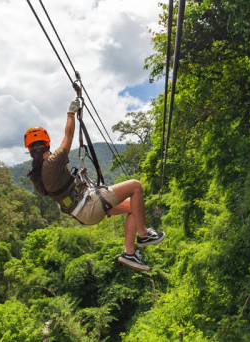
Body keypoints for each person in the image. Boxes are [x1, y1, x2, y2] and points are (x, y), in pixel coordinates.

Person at [23, 99, 165, 271]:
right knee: (135, 186)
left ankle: (129, 252)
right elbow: (68, 136)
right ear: (47, 143)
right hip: (89, 205)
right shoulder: (52, 162)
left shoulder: (36, 175)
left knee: (132, 208)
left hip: (82, 212)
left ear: (29, 149)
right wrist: (70, 113)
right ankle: (143, 235)